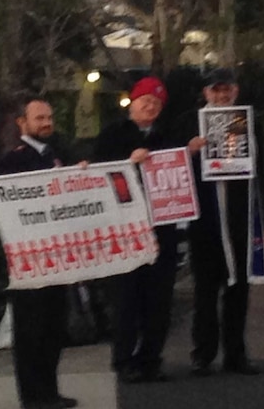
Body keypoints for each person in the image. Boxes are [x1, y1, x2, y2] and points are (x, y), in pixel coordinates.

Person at [93, 76, 181, 384]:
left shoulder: (168, 136)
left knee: (158, 301)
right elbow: (95, 175)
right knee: (126, 301)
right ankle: (124, 360)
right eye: (145, 100)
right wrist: (128, 162)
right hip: (124, 230)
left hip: (162, 229)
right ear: (133, 101)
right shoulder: (112, 135)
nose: (150, 106)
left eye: (156, 103)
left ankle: (151, 359)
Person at [0, 97, 78, 409]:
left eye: (49, 117)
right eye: (39, 118)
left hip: (57, 255)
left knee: (54, 327)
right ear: (22, 123)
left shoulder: (58, 152)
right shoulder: (13, 160)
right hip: (28, 258)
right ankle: (32, 396)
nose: (46, 123)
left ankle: (50, 390)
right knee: (31, 329)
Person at [186, 68, 264, 377]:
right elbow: (173, 166)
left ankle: (236, 354)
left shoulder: (249, 123)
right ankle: (202, 354)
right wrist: (190, 150)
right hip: (204, 222)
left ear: (235, 90)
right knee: (205, 291)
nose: (221, 95)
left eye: (226, 89)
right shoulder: (189, 124)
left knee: (239, 290)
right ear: (206, 93)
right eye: (215, 90)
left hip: (239, 221)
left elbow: (261, 170)